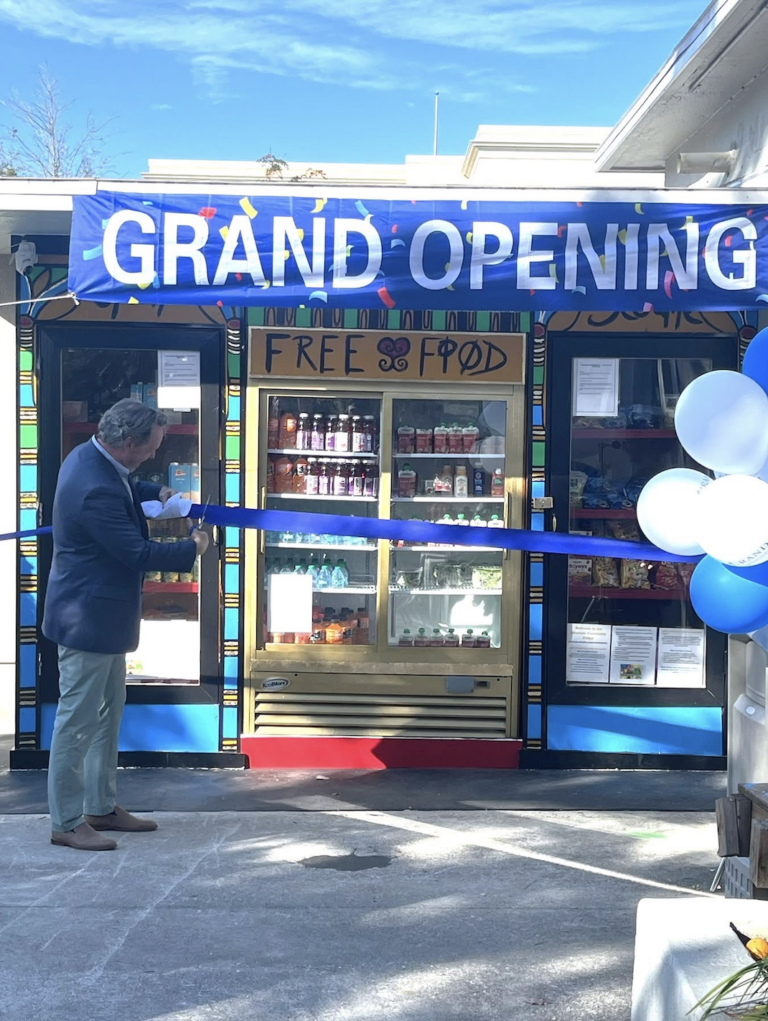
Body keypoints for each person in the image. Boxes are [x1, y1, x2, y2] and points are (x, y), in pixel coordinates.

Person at [42, 399, 210, 851]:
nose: (155, 454)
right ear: (129, 442)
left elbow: (128, 482)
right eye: (152, 447)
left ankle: (99, 806)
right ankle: (66, 821)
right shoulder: (94, 486)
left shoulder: (90, 456)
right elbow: (137, 552)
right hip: (88, 621)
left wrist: (159, 494)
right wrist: (193, 547)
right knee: (77, 723)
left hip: (102, 619)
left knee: (106, 716)